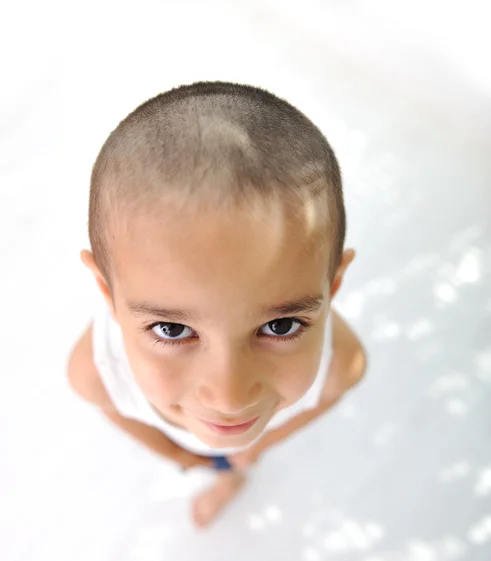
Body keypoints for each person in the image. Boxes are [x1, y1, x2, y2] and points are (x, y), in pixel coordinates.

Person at [67, 81, 367, 527]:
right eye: (172, 330)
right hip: (188, 447)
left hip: (243, 450)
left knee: (231, 461)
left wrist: (257, 447)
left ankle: (229, 479)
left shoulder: (342, 362)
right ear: (108, 294)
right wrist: (175, 453)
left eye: (281, 325)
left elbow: (328, 398)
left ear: (333, 284)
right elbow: (114, 411)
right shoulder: (96, 372)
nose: (228, 397)